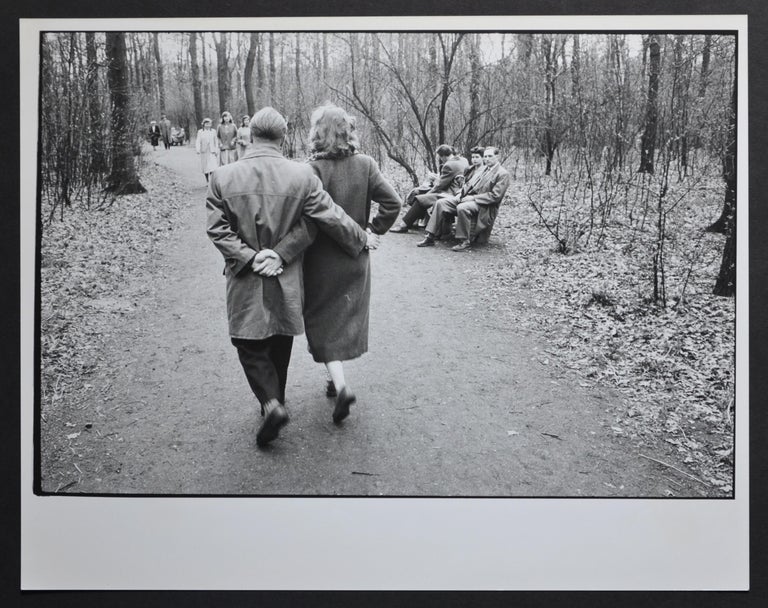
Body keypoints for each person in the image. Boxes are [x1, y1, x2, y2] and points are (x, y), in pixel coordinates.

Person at [206, 106, 377, 447]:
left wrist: (251, 257)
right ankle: (276, 401)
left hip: (244, 275)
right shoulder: (301, 176)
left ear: (250, 134)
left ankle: (270, 403)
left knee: (247, 342)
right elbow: (328, 217)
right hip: (285, 273)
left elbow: (217, 229)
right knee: (281, 336)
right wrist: (361, 238)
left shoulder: (222, 178)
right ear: (283, 138)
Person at [289, 103, 400, 423]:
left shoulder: (311, 170)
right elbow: (392, 203)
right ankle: (333, 378)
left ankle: (340, 385)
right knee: (342, 317)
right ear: (348, 131)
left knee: (320, 319)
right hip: (355, 258)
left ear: (317, 134)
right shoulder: (365, 164)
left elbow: (301, 216)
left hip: (320, 259)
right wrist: (372, 230)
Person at [417, 146, 510, 251]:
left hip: (485, 205)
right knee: (441, 203)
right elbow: (469, 185)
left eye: (490, 156)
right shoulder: (485, 169)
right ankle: (430, 237)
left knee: (462, 207)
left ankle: (464, 241)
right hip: (469, 198)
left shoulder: (502, 174)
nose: (487, 159)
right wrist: (460, 194)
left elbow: (495, 196)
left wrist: (473, 198)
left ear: (497, 157)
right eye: (485, 156)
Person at [390, 145, 468, 233]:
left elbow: (440, 186)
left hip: (451, 193)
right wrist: (438, 178)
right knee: (418, 192)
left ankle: (404, 225)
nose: (441, 159)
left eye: (440, 157)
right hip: (460, 190)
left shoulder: (449, 165)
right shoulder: (463, 160)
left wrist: (428, 193)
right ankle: (414, 222)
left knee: (421, 199)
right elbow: (450, 178)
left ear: (443, 156)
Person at [195, 118, 219, 182]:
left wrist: (216, 150)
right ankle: (207, 181)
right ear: (203, 124)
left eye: (209, 124)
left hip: (212, 151)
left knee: (212, 166)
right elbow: (198, 141)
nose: (208, 125)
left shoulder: (213, 131)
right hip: (204, 151)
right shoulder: (200, 132)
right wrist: (198, 149)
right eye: (206, 124)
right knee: (205, 166)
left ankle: (212, 181)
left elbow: (216, 141)